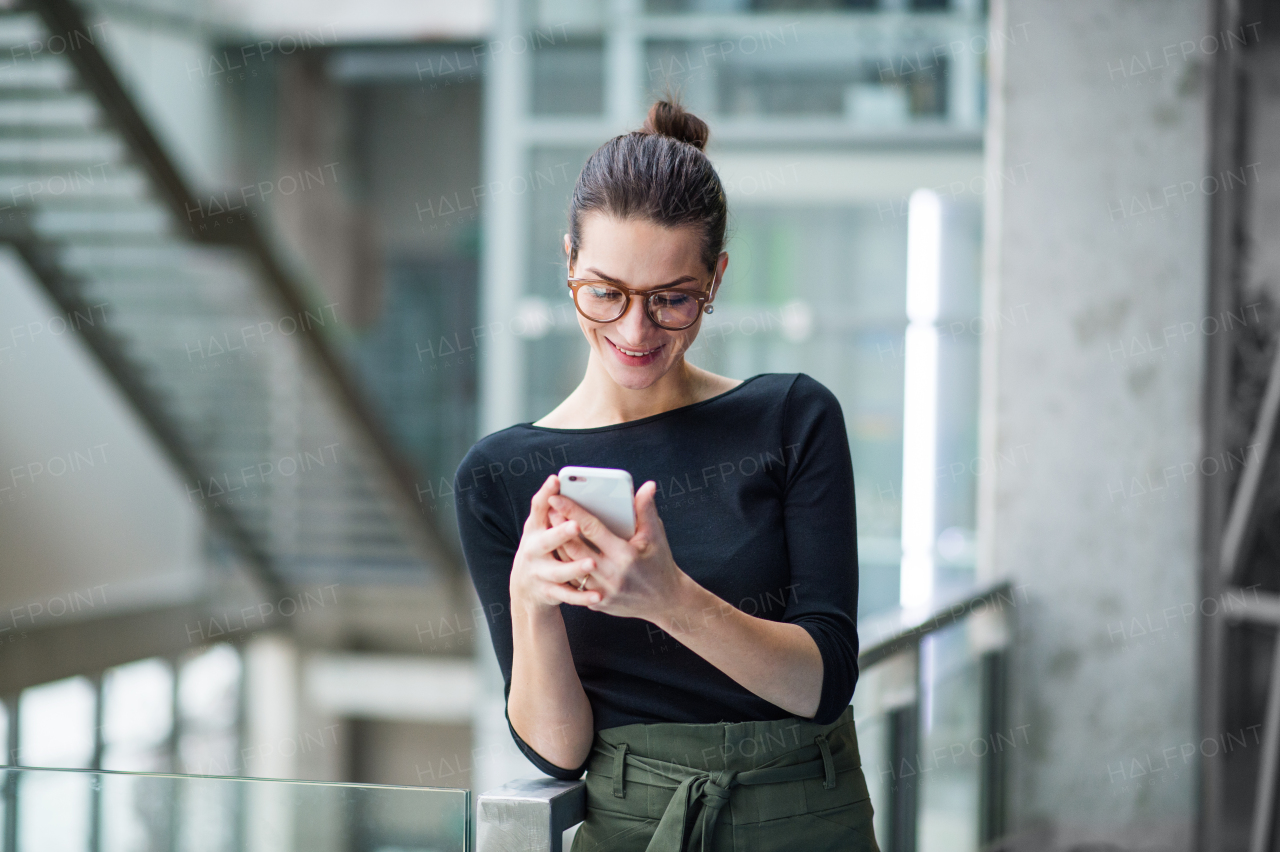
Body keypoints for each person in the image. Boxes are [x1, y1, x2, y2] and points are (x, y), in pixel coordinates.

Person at [454, 99, 879, 851]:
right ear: (569, 267)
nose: (634, 330)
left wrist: (669, 598)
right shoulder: (499, 475)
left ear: (715, 279)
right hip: (631, 828)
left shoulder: (791, 418)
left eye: (672, 300)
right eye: (606, 292)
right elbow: (555, 751)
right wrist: (531, 603)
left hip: (806, 818)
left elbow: (822, 684)